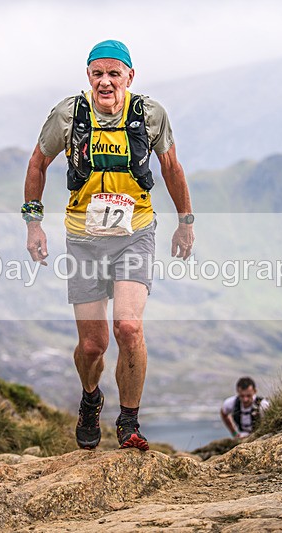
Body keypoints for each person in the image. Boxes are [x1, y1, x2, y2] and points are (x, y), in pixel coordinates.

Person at [23, 40, 194, 451]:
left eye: (113, 74)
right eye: (97, 73)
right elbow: (37, 164)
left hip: (134, 233)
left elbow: (170, 167)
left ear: (129, 77)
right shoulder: (68, 114)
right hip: (83, 239)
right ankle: (91, 399)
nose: (105, 81)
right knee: (92, 345)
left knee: (129, 327)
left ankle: (129, 422)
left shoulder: (149, 114)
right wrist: (34, 224)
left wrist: (185, 222)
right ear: (88, 76)